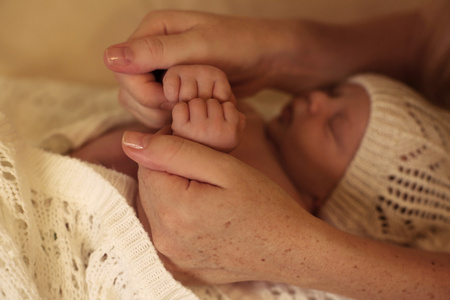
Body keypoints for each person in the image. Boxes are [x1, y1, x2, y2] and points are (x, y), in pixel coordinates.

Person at [103, 1, 450, 299]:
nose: (314, 100)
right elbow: (431, 36)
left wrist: (202, 145)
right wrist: (184, 91)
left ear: (326, 199)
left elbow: (185, 232)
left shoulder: (282, 203)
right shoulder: (256, 121)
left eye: (332, 125)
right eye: (332, 92)